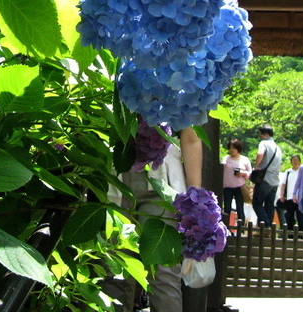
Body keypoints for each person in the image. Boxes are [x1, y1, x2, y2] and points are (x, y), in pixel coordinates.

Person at [106, 127, 202, 312]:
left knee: (162, 271)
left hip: (163, 182)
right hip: (115, 178)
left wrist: (196, 201)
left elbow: (191, 139)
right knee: (114, 269)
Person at [252, 125, 282, 227]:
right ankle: (266, 232)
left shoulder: (264, 143)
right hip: (275, 181)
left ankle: (267, 225)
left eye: (260, 134)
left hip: (265, 179)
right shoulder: (278, 147)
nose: (259, 136)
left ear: (265, 134)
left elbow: (260, 153)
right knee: (269, 206)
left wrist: (256, 166)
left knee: (257, 203)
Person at [221, 138, 251, 225]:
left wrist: (243, 173)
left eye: (234, 148)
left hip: (239, 187)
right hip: (227, 187)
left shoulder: (245, 160)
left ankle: (241, 228)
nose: (231, 150)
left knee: (240, 208)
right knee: (227, 208)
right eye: (230, 148)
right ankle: (225, 226)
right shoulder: (226, 159)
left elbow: (250, 173)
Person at [278, 154, 303, 230]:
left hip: (300, 198)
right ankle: (290, 235)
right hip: (289, 198)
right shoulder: (288, 172)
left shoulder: (302, 171)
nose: (295, 161)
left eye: (297, 160)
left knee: (301, 217)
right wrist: (282, 195)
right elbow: (283, 184)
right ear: (291, 162)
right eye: (293, 160)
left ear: (300, 161)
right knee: (289, 217)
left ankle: (301, 235)